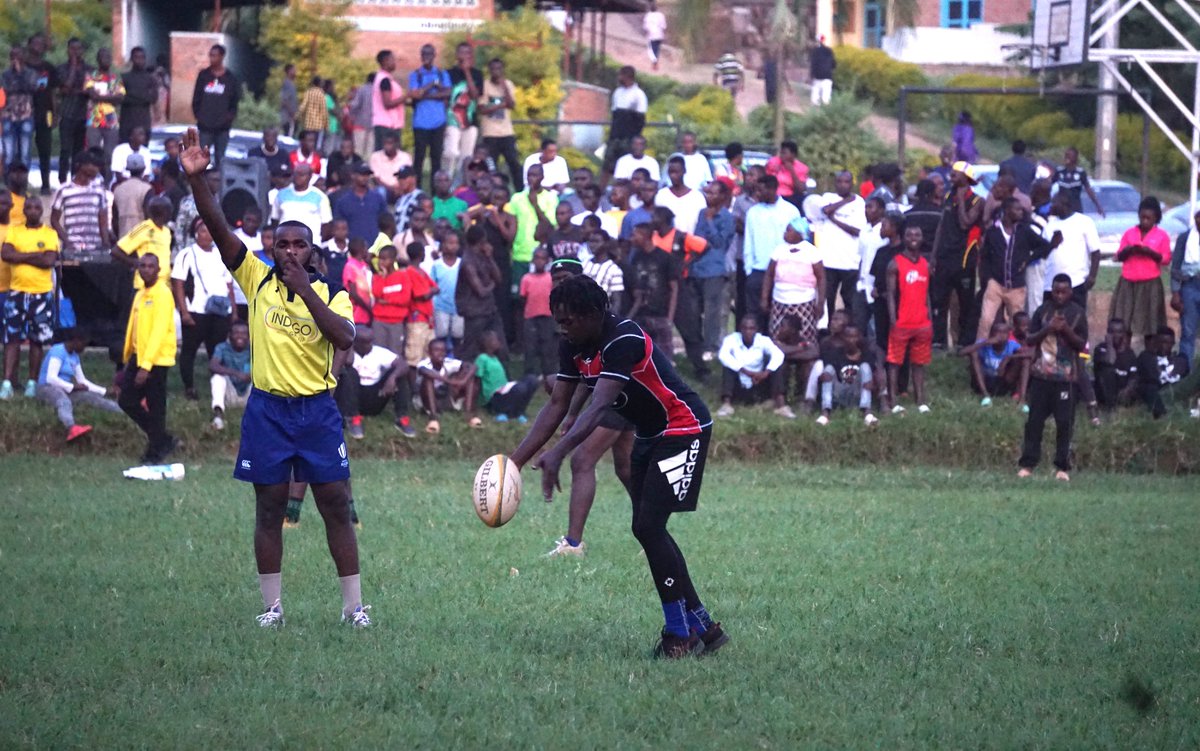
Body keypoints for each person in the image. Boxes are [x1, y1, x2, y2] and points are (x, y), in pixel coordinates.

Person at [181, 126, 371, 629]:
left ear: (311, 251)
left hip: (316, 411)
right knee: (268, 508)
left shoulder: (331, 293)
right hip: (267, 409)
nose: (288, 251)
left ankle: (354, 608)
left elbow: (345, 338)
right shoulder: (254, 277)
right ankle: (272, 607)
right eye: (281, 243)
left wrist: (305, 290)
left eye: (298, 245)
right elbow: (219, 228)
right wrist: (199, 181)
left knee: (335, 504)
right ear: (272, 245)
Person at [509, 274, 723, 659]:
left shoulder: (622, 337)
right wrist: (514, 463)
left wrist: (559, 452)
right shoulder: (572, 343)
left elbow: (599, 404)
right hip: (650, 431)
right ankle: (702, 625)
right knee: (648, 529)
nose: (563, 327)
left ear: (593, 313)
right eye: (558, 320)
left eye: (569, 320)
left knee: (647, 526)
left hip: (684, 426)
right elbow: (558, 404)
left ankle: (680, 633)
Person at [1019, 274, 1088, 481]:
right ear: (1052, 289)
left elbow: (1081, 344)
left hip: (1066, 379)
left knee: (1064, 424)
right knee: (1034, 423)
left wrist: (1065, 329)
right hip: (1041, 376)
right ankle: (1028, 465)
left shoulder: (1077, 313)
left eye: (1063, 291)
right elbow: (1030, 339)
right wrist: (1047, 329)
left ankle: (1062, 468)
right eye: (1056, 291)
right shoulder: (1043, 311)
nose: (1059, 295)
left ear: (1070, 292)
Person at [119, 252, 178, 463]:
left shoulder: (163, 294)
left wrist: (146, 367)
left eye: (150, 266)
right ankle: (162, 439)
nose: (145, 269)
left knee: (155, 407)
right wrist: (129, 357)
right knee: (126, 401)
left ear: (159, 269)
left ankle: (155, 451)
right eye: (141, 266)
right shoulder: (141, 293)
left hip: (156, 360)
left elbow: (158, 332)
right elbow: (133, 328)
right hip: (138, 356)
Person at [976, 196, 1060, 341]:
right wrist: (987, 279)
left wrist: (1028, 260)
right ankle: (980, 351)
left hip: (1016, 286)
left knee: (1017, 323)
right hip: (995, 284)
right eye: (1017, 209)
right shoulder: (993, 231)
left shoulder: (1024, 231)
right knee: (986, 320)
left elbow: (1044, 246)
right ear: (1007, 211)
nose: (1021, 212)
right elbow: (984, 257)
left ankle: (1017, 353)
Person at [170, 216, 235, 399]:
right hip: (197, 310)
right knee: (189, 350)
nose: (207, 235)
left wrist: (233, 312)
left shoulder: (221, 254)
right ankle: (189, 387)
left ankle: (218, 387)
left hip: (221, 310)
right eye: (203, 231)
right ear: (196, 233)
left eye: (210, 231)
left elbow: (228, 283)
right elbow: (178, 283)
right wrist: (184, 312)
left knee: (217, 351)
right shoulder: (186, 254)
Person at [1, 196, 58, 400]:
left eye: (36, 207)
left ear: (42, 210)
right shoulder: (15, 231)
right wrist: (36, 255)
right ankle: (7, 382)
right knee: (11, 339)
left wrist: (22, 255)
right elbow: (6, 254)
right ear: (24, 210)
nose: (32, 211)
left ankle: (32, 383)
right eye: (29, 207)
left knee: (37, 340)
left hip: (42, 294)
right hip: (17, 292)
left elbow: (49, 260)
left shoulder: (50, 233)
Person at [930, 161, 983, 349]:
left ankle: (963, 342)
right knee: (939, 301)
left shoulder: (977, 201)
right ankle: (939, 341)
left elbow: (965, 223)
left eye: (956, 173)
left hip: (964, 260)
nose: (951, 175)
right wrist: (933, 256)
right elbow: (941, 227)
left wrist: (961, 200)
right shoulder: (947, 196)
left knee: (964, 304)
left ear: (966, 177)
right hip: (944, 258)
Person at [36, 327, 121, 440]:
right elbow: (51, 378)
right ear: (76, 341)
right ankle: (71, 427)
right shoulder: (58, 351)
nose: (84, 348)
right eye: (83, 344)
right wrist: (73, 387)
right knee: (63, 401)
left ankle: (124, 412)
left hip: (66, 389)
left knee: (92, 398)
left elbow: (82, 381)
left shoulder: (74, 356)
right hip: (47, 387)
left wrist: (104, 391)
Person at [336, 324, 415, 438]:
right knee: (349, 372)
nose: (369, 345)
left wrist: (392, 378)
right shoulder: (346, 354)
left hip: (376, 396)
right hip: (353, 398)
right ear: (355, 342)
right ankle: (353, 419)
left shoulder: (379, 352)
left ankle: (402, 419)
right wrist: (349, 348)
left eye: (370, 341)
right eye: (365, 342)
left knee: (399, 374)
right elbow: (347, 363)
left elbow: (403, 365)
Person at [886, 224, 933, 414]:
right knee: (895, 362)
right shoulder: (895, 263)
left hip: (922, 323)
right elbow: (890, 294)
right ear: (904, 238)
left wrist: (930, 317)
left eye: (917, 234)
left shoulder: (925, 264)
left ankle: (920, 400)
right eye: (909, 234)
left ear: (922, 238)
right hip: (902, 321)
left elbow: (927, 292)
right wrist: (892, 319)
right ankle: (893, 400)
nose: (913, 237)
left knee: (919, 363)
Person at [744, 175, 800, 329]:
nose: (757, 194)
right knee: (755, 313)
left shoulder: (790, 211)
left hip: (783, 271)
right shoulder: (753, 212)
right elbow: (748, 242)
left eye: (761, 190)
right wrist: (749, 270)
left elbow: (797, 241)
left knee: (780, 313)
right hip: (758, 270)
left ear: (772, 189)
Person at [1111, 196, 1170, 340]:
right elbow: (1118, 256)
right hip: (1127, 283)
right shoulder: (1129, 233)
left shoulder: (1162, 236)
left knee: (1151, 324)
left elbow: (1166, 259)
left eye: (1148, 218)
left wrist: (1150, 253)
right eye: (1142, 217)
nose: (1145, 221)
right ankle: (1124, 356)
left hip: (1150, 284)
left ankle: (1150, 357)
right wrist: (1129, 250)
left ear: (1156, 218)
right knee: (1124, 321)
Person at [763, 215, 824, 351]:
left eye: (789, 230)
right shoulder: (779, 250)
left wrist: (820, 303)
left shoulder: (812, 252)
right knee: (777, 333)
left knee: (806, 335)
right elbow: (769, 275)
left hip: (804, 301)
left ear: (799, 233)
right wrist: (764, 298)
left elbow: (821, 278)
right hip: (780, 301)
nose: (785, 233)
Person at [691, 180, 735, 358]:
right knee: (695, 309)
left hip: (715, 269)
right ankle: (697, 344)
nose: (709, 196)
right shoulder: (702, 213)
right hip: (698, 267)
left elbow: (720, 243)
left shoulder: (726, 217)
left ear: (723, 196)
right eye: (708, 193)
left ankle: (710, 347)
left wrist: (710, 222)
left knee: (712, 310)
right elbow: (698, 238)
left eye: (713, 193)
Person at [715, 313, 787, 416]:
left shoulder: (763, 340)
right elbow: (723, 355)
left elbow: (778, 354)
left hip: (758, 383)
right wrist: (746, 372)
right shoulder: (731, 339)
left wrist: (765, 373)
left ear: (756, 329)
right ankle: (726, 405)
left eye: (751, 328)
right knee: (728, 365)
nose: (748, 332)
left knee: (776, 365)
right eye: (745, 328)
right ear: (740, 329)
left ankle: (781, 406)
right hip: (739, 384)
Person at [818, 170, 866, 318]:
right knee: (828, 300)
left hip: (850, 260)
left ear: (852, 184)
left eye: (846, 182)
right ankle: (827, 331)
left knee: (849, 300)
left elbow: (857, 231)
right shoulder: (827, 197)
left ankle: (849, 332)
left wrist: (834, 220)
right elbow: (826, 210)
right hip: (828, 260)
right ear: (835, 183)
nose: (843, 185)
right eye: (840, 181)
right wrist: (846, 201)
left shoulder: (859, 202)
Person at [627, 222, 679, 356]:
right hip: (641, 315)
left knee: (664, 357)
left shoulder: (664, 257)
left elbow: (674, 288)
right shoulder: (636, 257)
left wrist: (670, 317)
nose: (631, 238)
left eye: (634, 235)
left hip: (660, 315)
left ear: (644, 236)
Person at [1044, 190, 1100, 309]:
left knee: (1076, 320)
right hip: (1051, 285)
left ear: (1063, 204)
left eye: (1054, 203)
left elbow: (1095, 251)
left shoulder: (1084, 222)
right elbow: (1044, 252)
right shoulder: (1049, 225)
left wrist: (1092, 277)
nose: (1051, 206)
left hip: (1076, 283)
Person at [457, 225, 504, 360]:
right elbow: (481, 291)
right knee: (471, 350)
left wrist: (490, 258)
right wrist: (492, 285)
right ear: (482, 241)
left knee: (499, 347)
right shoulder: (467, 262)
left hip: (489, 310)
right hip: (474, 313)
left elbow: (499, 277)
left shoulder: (484, 256)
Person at [51, 151, 110, 257]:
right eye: (92, 165)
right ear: (79, 165)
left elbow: (103, 221)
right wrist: (67, 241)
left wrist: (105, 243)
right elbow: (54, 220)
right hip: (72, 248)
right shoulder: (63, 190)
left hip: (95, 247)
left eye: (97, 166)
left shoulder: (99, 191)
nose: (96, 169)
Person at [506, 163, 556, 288]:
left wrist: (535, 204)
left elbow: (550, 226)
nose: (531, 179)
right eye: (529, 175)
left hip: (540, 257)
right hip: (520, 255)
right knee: (518, 297)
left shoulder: (551, 198)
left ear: (542, 177)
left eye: (535, 175)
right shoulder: (516, 198)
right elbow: (512, 225)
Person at [408, 44, 451, 190]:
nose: (427, 57)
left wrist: (426, 94)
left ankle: (436, 191)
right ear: (421, 56)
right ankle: (417, 189)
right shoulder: (416, 74)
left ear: (434, 55)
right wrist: (432, 85)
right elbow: (415, 94)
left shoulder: (441, 73)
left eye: (429, 54)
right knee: (419, 159)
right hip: (420, 123)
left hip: (438, 122)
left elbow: (448, 93)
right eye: (424, 54)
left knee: (436, 160)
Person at [817, 323, 878, 426]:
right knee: (829, 368)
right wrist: (823, 377)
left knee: (865, 367)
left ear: (859, 338)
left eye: (854, 337)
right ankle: (825, 413)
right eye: (848, 337)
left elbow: (875, 376)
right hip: (840, 394)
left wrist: (874, 383)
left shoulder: (866, 354)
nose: (851, 340)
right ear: (842, 338)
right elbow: (828, 377)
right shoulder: (836, 353)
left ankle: (867, 413)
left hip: (857, 394)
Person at [417, 337, 479, 432]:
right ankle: (433, 418)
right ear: (429, 352)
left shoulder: (448, 362)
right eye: (436, 350)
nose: (440, 353)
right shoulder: (424, 363)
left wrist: (463, 380)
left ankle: (469, 413)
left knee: (470, 378)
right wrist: (450, 381)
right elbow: (425, 372)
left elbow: (473, 366)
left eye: (443, 350)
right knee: (428, 380)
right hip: (427, 400)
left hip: (445, 396)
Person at [192, 45, 239, 169]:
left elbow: (234, 102)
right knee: (201, 158)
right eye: (210, 55)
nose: (211, 58)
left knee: (220, 159)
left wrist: (228, 119)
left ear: (222, 56)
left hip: (222, 128)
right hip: (205, 127)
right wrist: (200, 116)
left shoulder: (230, 78)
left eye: (215, 55)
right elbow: (196, 98)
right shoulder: (204, 76)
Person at [477, 57, 520, 190]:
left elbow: (511, 105)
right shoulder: (484, 85)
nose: (496, 71)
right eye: (493, 69)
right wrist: (502, 104)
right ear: (489, 70)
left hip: (507, 132)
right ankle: (491, 191)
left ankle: (520, 190)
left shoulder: (508, 84)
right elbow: (483, 109)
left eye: (499, 69)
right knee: (491, 165)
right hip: (490, 133)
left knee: (514, 163)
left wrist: (504, 88)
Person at [960, 320, 1027, 406]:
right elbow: (961, 353)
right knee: (974, 353)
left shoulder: (1011, 344)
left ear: (1008, 335)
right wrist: (984, 343)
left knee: (1022, 359)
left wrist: (1009, 357)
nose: (1001, 336)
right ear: (991, 334)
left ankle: (1021, 397)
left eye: (1004, 333)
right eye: (998, 332)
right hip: (984, 380)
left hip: (1002, 381)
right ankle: (985, 395)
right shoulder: (984, 343)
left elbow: (1029, 354)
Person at [475, 329, 536, 421]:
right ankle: (504, 412)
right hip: (493, 396)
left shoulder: (495, 358)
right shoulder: (482, 358)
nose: (499, 342)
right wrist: (479, 400)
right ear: (488, 343)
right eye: (496, 340)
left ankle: (519, 412)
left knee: (532, 380)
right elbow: (477, 379)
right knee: (520, 388)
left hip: (503, 390)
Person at [83, 48, 125, 181]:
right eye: (103, 57)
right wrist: (110, 97)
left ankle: (107, 182)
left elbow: (120, 98)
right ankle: (91, 180)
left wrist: (100, 97)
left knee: (109, 154)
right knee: (93, 153)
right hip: (93, 120)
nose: (106, 59)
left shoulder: (115, 78)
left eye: (108, 57)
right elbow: (91, 95)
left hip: (111, 121)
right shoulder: (91, 76)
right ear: (98, 59)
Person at [24, 34, 57, 195]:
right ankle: (21, 185)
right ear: (29, 45)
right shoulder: (22, 66)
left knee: (45, 149)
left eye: (41, 43)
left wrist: (55, 113)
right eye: (35, 42)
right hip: (24, 113)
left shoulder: (48, 67)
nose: (38, 46)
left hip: (45, 113)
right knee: (23, 150)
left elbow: (52, 92)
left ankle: (45, 185)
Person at [603, 66, 648, 184]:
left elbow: (640, 119)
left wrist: (634, 138)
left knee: (625, 166)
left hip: (629, 138)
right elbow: (614, 114)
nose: (618, 78)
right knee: (607, 166)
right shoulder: (618, 92)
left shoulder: (639, 94)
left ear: (628, 76)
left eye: (620, 75)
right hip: (615, 136)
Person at [56, 38, 92, 185]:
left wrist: (74, 90)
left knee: (79, 151)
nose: (75, 52)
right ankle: (62, 180)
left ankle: (75, 179)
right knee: (65, 149)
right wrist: (73, 67)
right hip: (67, 113)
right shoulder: (62, 69)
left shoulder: (89, 69)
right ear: (68, 50)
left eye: (78, 49)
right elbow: (65, 88)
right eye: (72, 48)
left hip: (83, 115)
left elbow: (88, 90)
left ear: (82, 50)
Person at [444, 42, 482, 177]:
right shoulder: (448, 73)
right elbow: (446, 97)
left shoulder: (477, 74)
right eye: (461, 52)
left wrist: (467, 71)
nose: (463, 55)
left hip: (470, 122)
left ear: (471, 55)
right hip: (451, 120)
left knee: (467, 157)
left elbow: (475, 96)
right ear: (456, 54)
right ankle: (446, 181)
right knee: (451, 152)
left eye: (467, 53)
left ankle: (460, 185)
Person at [520, 247, 556, 384]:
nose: (540, 261)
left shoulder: (550, 278)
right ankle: (529, 375)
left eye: (543, 258)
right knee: (530, 347)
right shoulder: (526, 278)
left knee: (547, 347)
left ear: (547, 261)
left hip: (547, 317)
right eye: (537, 258)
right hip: (531, 318)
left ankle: (548, 375)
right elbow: (523, 298)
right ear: (533, 260)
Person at [1135, 326, 1189, 418]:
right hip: (1157, 391)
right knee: (1149, 386)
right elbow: (1151, 377)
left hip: (1175, 390)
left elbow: (1184, 376)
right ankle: (1162, 414)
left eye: (1169, 343)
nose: (1165, 346)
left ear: (1173, 343)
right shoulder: (1147, 357)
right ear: (1155, 342)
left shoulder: (1180, 359)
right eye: (1162, 342)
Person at [271, 162, 332, 244]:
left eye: (301, 175)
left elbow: (326, 224)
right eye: (295, 174)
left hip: (310, 244)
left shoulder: (320, 196)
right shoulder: (281, 195)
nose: (297, 177)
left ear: (310, 176)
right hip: (285, 244)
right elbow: (274, 220)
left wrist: (318, 241)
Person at [209, 319, 252, 430]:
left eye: (244, 333)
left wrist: (252, 375)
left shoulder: (254, 349)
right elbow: (213, 365)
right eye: (236, 333)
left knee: (261, 380)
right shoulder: (222, 347)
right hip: (230, 394)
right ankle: (218, 417)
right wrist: (237, 374)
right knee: (217, 378)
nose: (240, 336)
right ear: (230, 335)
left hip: (250, 396)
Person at [1171, 206, 1200, 365]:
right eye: (1198, 217)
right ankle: (1185, 370)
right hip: (1190, 287)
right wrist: (1176, 292)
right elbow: (1176, 267)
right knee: (1188, 332)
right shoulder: (1185, 238)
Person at [2, 46, 37, 174]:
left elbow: (31, 88)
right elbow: (6, 90)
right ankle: (8, 184)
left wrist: (19, 74)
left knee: (25, 152)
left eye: (18, 56)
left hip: (26, 115)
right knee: (9, 153)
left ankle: (23, 184)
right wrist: (17, 83)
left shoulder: (31, 73)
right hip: (8, 116)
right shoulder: (5, 75)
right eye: (13, 56)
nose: (15, 59)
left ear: (24, 57)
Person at [1092, 317, 1138, 408]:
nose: (1115, 335)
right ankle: (1110, 408)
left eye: (1119, 332)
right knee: (1108, 370)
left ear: (1124, 334)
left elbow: (1134, 377)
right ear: (1108, 333)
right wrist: (1109, 344)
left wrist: (1127, 390)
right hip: (1104, 393)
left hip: (1122, 392)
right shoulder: (1100, 349)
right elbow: (1110, 361)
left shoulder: (1130, 354)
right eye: (1112, 332)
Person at [655, 156, 706, 236]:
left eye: (676, 172)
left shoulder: (697, 197)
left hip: (691, 242)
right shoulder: (661, 195)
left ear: (684, 171)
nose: (673, 176)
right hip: (667, 244)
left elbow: (702, 223)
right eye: (671, 172)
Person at [118, 47, 156, 143]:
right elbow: (121, 98)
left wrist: (131, 94)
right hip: (127, 123)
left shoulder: (150, 78)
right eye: (136, 57)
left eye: (142, 57)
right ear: (131, 59)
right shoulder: (124, 77)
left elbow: (153, 98)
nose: (139, 60)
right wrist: (142, 96)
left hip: (144, 122)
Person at [1053, 146, 1103, 216]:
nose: (1066, 158)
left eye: (1069, 156)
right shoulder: (1059, 171)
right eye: (1066, 155)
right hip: (1062, 208)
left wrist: (1098, 206)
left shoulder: (1080, 173)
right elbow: (1050, 185)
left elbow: (1088, 189)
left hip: (1075, 208)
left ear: (1075, 158)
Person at [112, 153, 152, 238]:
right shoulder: (147, 189)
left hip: (123, 239)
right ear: (144, 168)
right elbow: (149, 215)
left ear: (128, 169)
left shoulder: (118, 189)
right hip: (142, 238)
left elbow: (114, 219)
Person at [372, 50, 406, 151]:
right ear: (385, 61)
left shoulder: (387, 79)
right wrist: (407, 95)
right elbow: (387, 103)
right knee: (386, 155)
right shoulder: (384, 80)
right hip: (386, 125)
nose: (395, 62)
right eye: (393, 59)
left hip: (391, 123)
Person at [765, 141, 808, 210]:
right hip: (773, 195)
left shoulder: (801, 168)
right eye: (781, 153)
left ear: (793, 155)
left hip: (790, 198)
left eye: (784, 153)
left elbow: (801, 190)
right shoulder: (773, 162)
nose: (781, 156)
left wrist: (792, 171)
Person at [809, 35, 835, 106]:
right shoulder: (829, 50)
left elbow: (813, 64)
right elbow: (834, 64)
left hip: (817, 77)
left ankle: (815, 114)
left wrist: (811, 75)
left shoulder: (815, 51)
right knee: (826, 98)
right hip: (827, 77)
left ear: (817, 41)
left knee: (815, 98)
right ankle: (825, 114)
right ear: (824, 40)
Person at [643, 0, 667, 71]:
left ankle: (654, 63)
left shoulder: (648, 16)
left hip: (651, 35)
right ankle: (655, 62)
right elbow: (664, 26)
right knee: (657, 49)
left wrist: (646, 32)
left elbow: (645, 27)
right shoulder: (661, 15)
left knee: (652, 49)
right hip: (659, 35)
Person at [279, 63, 298, 136]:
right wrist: (291, 113)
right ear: (289, 71)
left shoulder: (292, 84)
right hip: (287, 117)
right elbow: (284, 100)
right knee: (288, 136)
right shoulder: (287, 83)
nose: (295, 72)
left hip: (290, 117)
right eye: (294, 70)